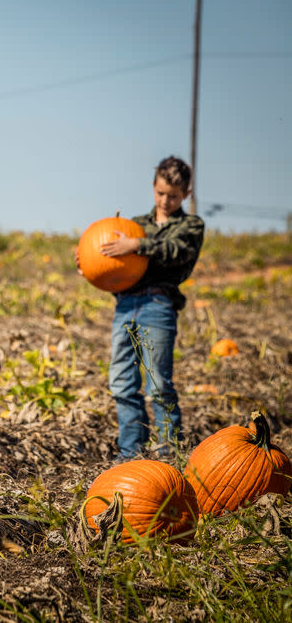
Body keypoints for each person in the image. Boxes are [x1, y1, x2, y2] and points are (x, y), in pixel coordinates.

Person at [99, 156, 204, 460]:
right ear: (153, 187)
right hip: (125, 305)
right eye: (160, 193)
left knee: (158, 384)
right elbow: (115, 262)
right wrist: (96, 265)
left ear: (186, 193)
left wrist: (137, 246)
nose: (165, 200)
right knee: (122, 383)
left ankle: (170, 454)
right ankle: (131, 453)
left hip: (158, 306)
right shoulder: (136, 225)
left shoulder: (190, 225)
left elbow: (177, 251)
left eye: (173, 195)